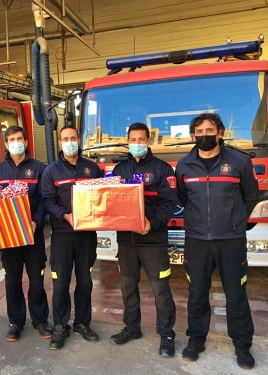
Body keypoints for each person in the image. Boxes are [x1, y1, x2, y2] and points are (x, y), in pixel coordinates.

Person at [175, 113, 259, 369]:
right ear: (192, 136)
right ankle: (196, 339)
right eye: (199, 132)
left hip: (231, 241)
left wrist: (236, 223)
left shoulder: (239, 162)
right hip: (197, 241)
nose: (204, 136)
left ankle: (243, 345)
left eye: (209, 130)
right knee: (197, 294)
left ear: (220, 133)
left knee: (236, 295)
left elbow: (251, 197)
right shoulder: (184, 166)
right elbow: (182, 198)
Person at [109, 122, 178, 357]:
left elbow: (170, 204)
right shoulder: (118, 171)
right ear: (127, 142)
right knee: (128, 287)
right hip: (126, 242)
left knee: (161, 290)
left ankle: (167, 335)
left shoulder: (162, 169)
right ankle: (132, 328)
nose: (137, 144)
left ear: (148, 141)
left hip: (153, 241)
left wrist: (152, 223)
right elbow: (110, 202)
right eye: (133, 139)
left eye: (141, 139)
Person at [40, 126, 102, 350]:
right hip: (62, 236)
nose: (70, 142)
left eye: (73, 138)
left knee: (85, 281)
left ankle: (83, 323)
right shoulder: (51, 171)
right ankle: (60, 326)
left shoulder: (92, 169)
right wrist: (65, 215)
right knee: (60, 283)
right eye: (65, 139)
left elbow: (102, 197)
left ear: (79, 140)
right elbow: (47, 201)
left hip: (87, 235)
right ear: (59, 143)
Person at [0, 125, 52, 342]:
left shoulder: (39, 168)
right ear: (6, 144)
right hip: (8, 239)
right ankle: (16, 322)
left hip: (32, 236)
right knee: (12, 282)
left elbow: (45, 200)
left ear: (26, 142)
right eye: (12, 139)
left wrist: (36, 221)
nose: (16, 142)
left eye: (19, 138)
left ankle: (40, 320)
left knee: (37, 280)